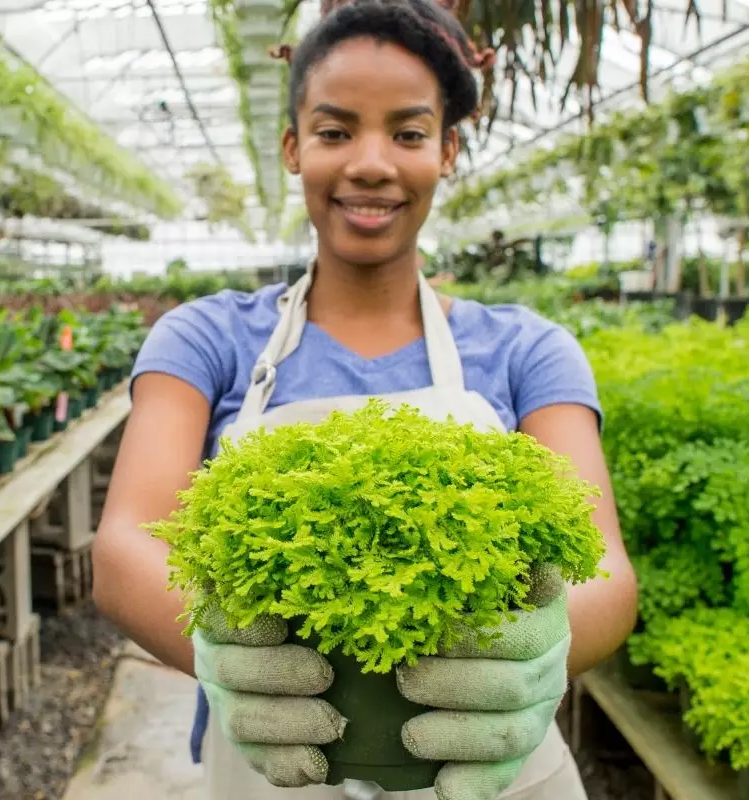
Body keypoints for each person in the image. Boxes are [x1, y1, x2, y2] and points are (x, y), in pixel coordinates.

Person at [92, 0, 638, 796]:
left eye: (409, 134)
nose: (372, 163)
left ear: (448, 150)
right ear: (294, 147)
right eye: (336, 131)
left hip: (482, 767)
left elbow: (605, 570)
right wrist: (227, 647)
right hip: (271, 763)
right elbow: (125, 547)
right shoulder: (207, 338)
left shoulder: (527, 350)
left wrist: (532, 654)